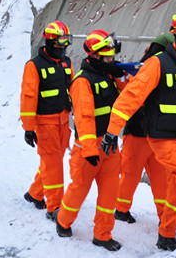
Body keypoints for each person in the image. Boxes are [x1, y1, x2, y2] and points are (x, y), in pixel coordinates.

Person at [102, 8, 176, 252]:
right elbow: (130, 98)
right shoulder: (157, 64)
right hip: (163, 140)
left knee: (175, 190)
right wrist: (113, 131)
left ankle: (167, 235)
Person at [54, 30, 128, 250]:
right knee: (78, 190)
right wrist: (89, 149)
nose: (111, 59)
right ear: (94, 56)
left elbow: (127, 96)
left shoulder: (109, 75)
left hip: (110, 145)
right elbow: (83, 118)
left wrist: (119, 75)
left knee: (109, 195)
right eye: (107, 56)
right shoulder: (82, 81)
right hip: (89, 148)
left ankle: (103, 235)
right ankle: (63, 221)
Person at [20, 20, 73, 220]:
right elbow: (28, 97)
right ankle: (54, 207)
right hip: (45, 123)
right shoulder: (34, 66)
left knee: (54, 161)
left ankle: (35, 193)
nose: (63, 47)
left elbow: (73, 88)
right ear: (49, 42)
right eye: (59, 43)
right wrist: (28, 128)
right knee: (53, 165)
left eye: (66, 43)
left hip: (63, 121)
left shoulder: (67, 62)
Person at [115, 45, 169, 225]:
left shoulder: (146, 72)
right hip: (143, 134)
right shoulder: (144, 74)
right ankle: (122, 210)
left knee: (152, 177)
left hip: (152, 135)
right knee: (132, 175)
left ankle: (164, 216)